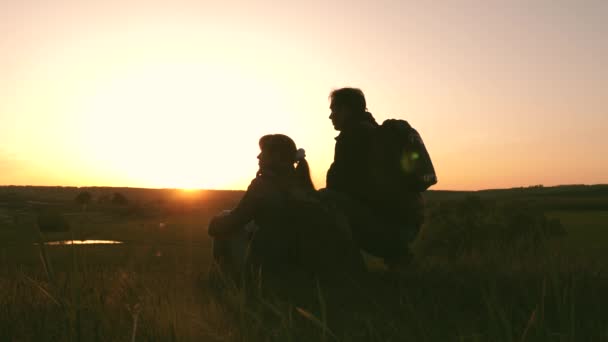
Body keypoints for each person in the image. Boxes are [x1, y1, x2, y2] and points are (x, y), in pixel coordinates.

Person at [208, 134, 365, 298]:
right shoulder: (305, 186)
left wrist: (213, 224)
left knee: (224, 218)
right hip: (309, 273)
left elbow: (234, 221)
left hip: (271, 272)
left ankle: (226, 286)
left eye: (263, 152)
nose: (258, 156)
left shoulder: (263, 185)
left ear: (276, 157)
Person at [324, 87, 425, 268]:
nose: (331, 116)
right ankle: (398, 259)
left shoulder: (354, 136)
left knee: (325, 201)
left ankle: (349, 274)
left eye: (334, 110)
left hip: (389, 229)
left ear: (347, 110)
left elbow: (336, 185)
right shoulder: (377, 133)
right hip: (408, 226)